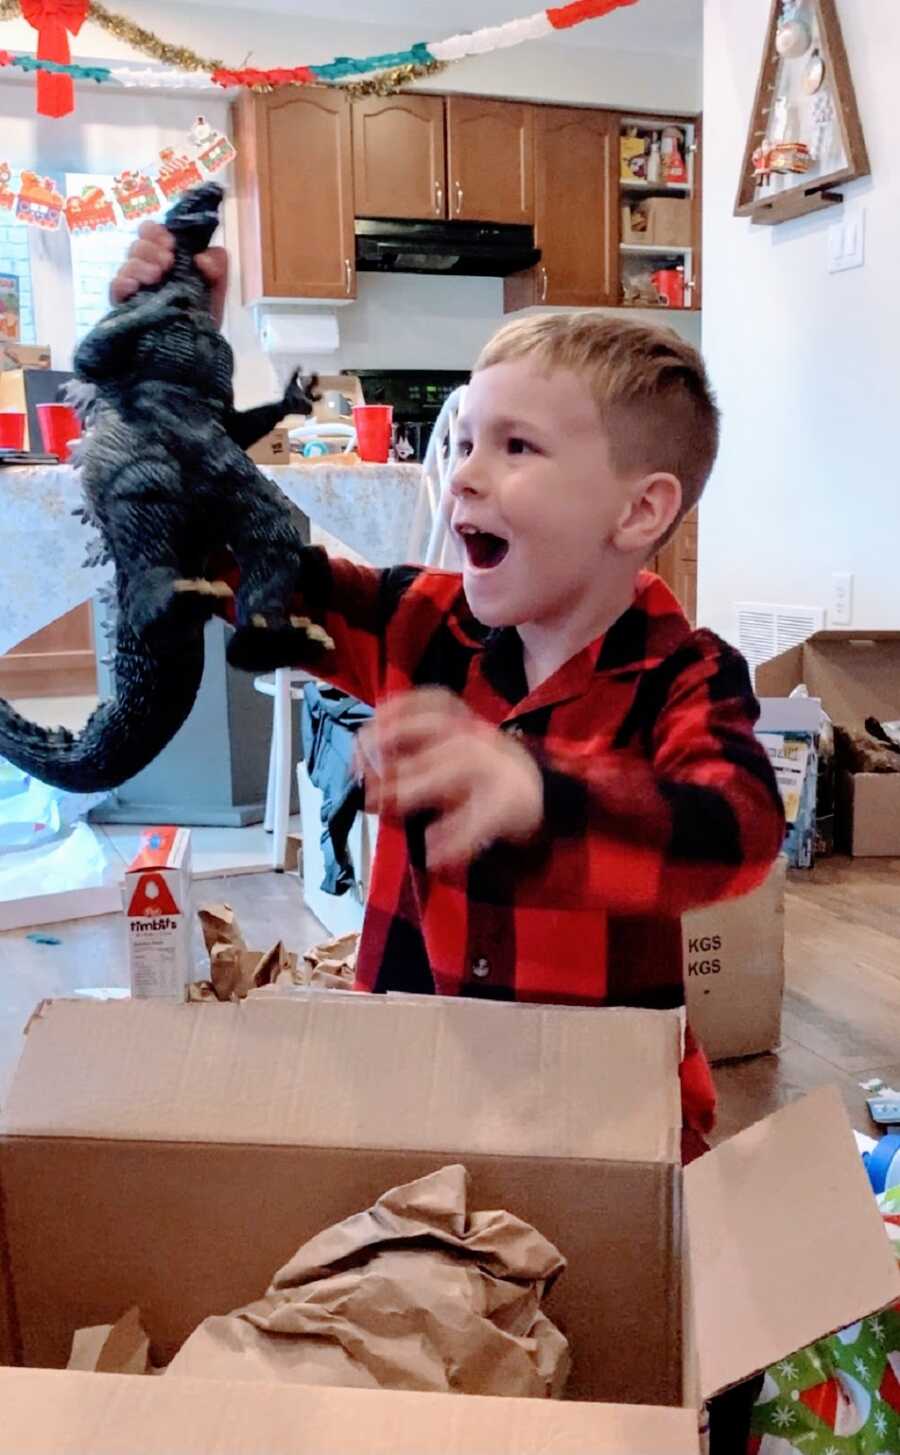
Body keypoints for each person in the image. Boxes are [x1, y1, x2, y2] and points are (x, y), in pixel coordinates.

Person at [111, 227, 785, 1154]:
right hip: (407, 1087)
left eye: (515, 446)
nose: (463, 472)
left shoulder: (688, 671)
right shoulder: (417, 619)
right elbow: (225, 569)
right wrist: (169, 375)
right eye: (467, 438)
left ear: (639, 511)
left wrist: (532, 792)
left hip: (601, 1127)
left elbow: (739, 831)